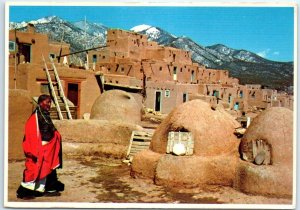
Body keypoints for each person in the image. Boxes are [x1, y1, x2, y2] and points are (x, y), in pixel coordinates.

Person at [16, 94, 64, 199]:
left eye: (50, 102)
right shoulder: (36, 116)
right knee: (34, 168)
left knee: (48, 168)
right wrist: (36, 148)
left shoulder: (45, 114)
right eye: (47, 102)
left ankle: (45, 189)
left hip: (49, 147)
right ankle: (26, 192)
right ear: (41, 102)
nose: (49, 104)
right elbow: (31, 131)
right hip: (40, 147)